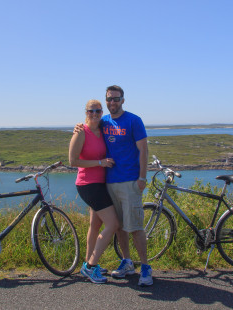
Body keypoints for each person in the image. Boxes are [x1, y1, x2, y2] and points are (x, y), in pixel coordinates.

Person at [101, 85, 152, 286]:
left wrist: (142, 178)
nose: (112, 102)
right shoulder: (103, 121)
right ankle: (127, 262)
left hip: (130, 182)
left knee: (136, 227)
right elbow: (91, 133)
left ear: (123, 100)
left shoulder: (133, 120)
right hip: (110, 182)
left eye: (116, 99)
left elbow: (143, 150)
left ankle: (146, 268)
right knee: (120, 227)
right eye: (109, 99)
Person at [69, 99, 119, 284]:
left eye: (98, 111)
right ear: (86, 112)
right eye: (91, 111)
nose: (95, 114)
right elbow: (73, 161)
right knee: (113, 224)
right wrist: (100, 163)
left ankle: (87, 263)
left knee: (95, 226)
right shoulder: (81, 132)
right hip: (88, 184)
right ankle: (91, 267)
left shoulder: (103, 128)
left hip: (100, 183)